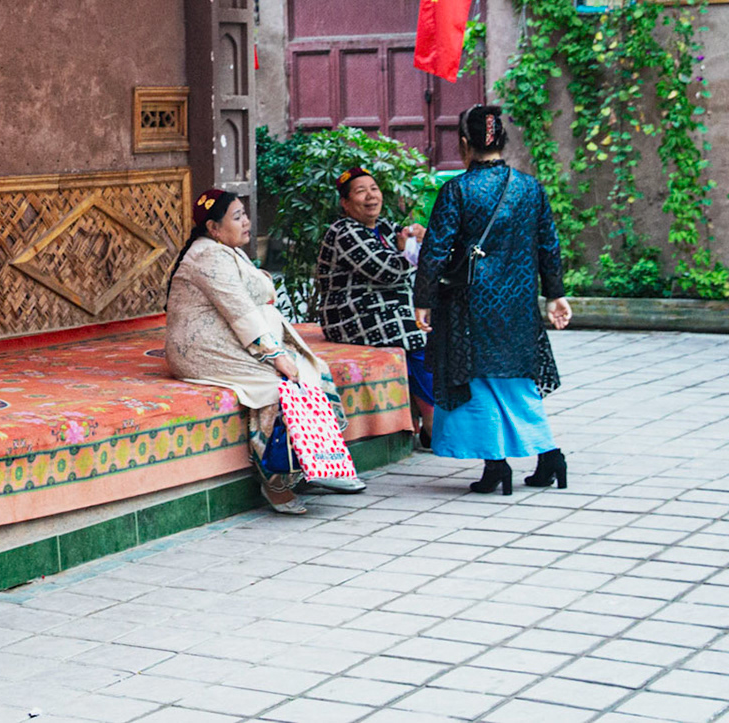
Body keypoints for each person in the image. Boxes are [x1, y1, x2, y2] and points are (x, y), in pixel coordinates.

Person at [165, 188, 364, 514]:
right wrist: (276, 356)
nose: (246, 222)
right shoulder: (208, 256)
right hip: (201, 349)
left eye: (244, 213)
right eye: (237, 216)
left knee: (314, 370)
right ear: (213, 229)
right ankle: (275, 481)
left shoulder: (226, 250)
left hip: (226, 339)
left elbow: (261, 291)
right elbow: (240, 309)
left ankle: (321, 462)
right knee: (275, 386)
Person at [413, 105, 573, 496]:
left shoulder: (458, 190)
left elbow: (435, 250)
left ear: (464, 143)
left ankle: (496, 465)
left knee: (477, 384)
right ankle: (549, 456)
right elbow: (548, 245)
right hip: (517, 304)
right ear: (502, 140)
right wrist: (554, 294)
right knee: (517, 384)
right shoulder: (530, 188)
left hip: (469, 305)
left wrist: (424, 298)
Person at [313, 166, 435, 447]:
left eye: (374, 189)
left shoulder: (384, 227)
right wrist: (408, 250)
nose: (370, 196)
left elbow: (419, 249)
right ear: (345, 203)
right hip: (349, 314)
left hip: (384, 310)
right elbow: (389, 270)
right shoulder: (344, 231)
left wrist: (419, 236)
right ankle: (432, 423)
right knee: (413, 334)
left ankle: (426, 417)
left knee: (431, 327)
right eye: (360, 191)